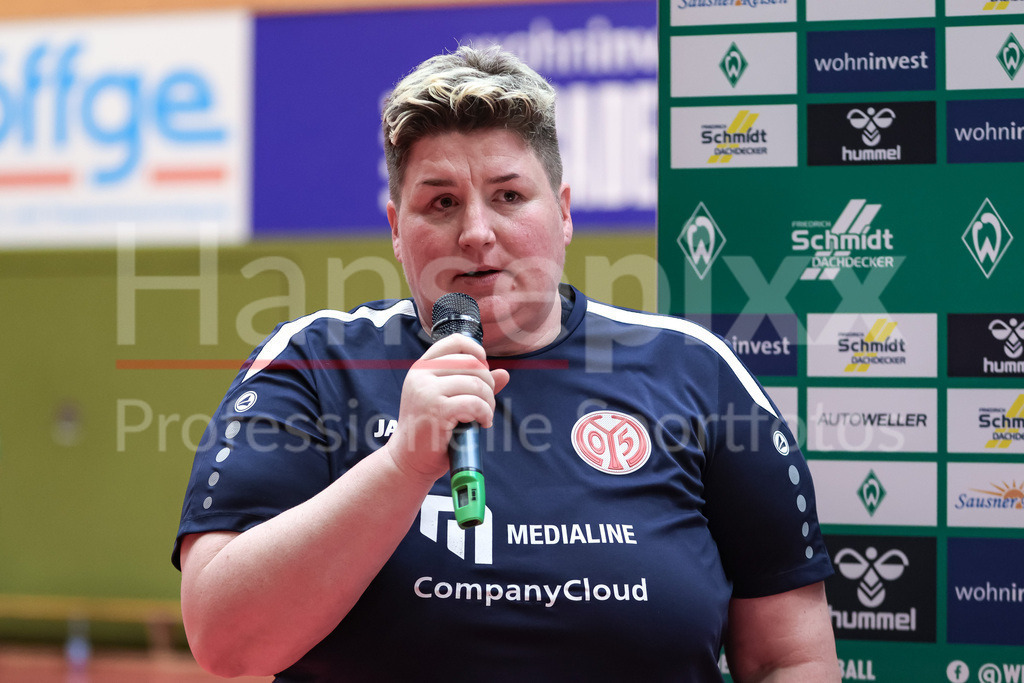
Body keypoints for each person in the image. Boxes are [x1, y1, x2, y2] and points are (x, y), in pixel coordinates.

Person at [174, 45, 838, 681]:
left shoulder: (695, 371)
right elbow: (224, 640)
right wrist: (401, 465)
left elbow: (788, 658)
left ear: (565, 212)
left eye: (509, 195)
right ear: (396, 231)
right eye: (440, 202)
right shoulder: (313, 365)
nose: (477, 233)